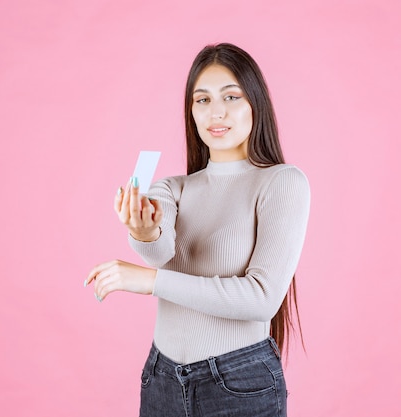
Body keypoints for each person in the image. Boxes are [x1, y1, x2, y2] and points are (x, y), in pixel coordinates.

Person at [84, 42, 310, 417]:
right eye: (201, 100)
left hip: (240, 384)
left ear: (256, 103)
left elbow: (262, 299)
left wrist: (149, 281)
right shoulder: (172, 188)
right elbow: (161, 249)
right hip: (161, 380)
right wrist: (143, 232)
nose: (215, 112)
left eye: (231, 96)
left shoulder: (281, 183)